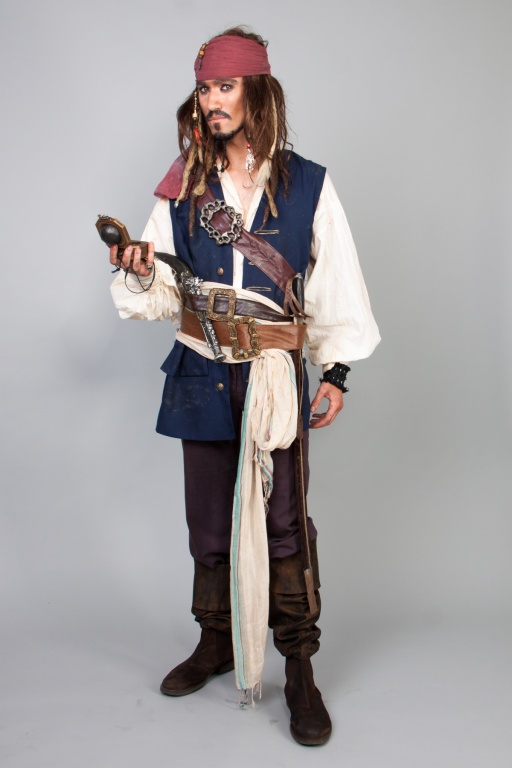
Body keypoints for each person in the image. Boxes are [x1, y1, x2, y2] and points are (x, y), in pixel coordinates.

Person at [108, 27, 380, 747]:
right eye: (205, 88)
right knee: (207, 524)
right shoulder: (183, 184)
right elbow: (159, 292)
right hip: (200, 369)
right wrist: (140, 268)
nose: (212, 101)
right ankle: (216, 641)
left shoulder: (308, 184)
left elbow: (338, 281)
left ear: (257, 91)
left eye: (225, 86)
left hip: (273, 376)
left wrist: (337, 372)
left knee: (286, 525)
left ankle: (299, 668)